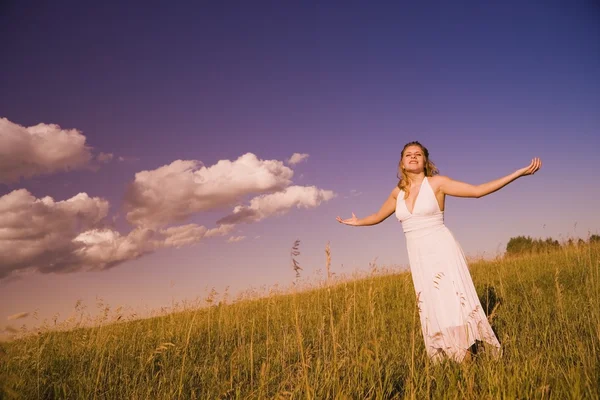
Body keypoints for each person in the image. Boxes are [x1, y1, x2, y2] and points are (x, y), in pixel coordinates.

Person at [336, 141, 541, 362]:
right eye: (408, 155)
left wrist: (517, 174)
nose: (413, 157)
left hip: (442, 251)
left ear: (425, 161)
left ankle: (465, 358)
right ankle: (453, 356)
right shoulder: (398, 193)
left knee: (452, 304)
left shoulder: (437, 184)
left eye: (418, 154)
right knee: (434, 307)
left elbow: (477, 191)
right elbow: (377, 216)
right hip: (419, 259)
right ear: (402, 163)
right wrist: (358, 222)